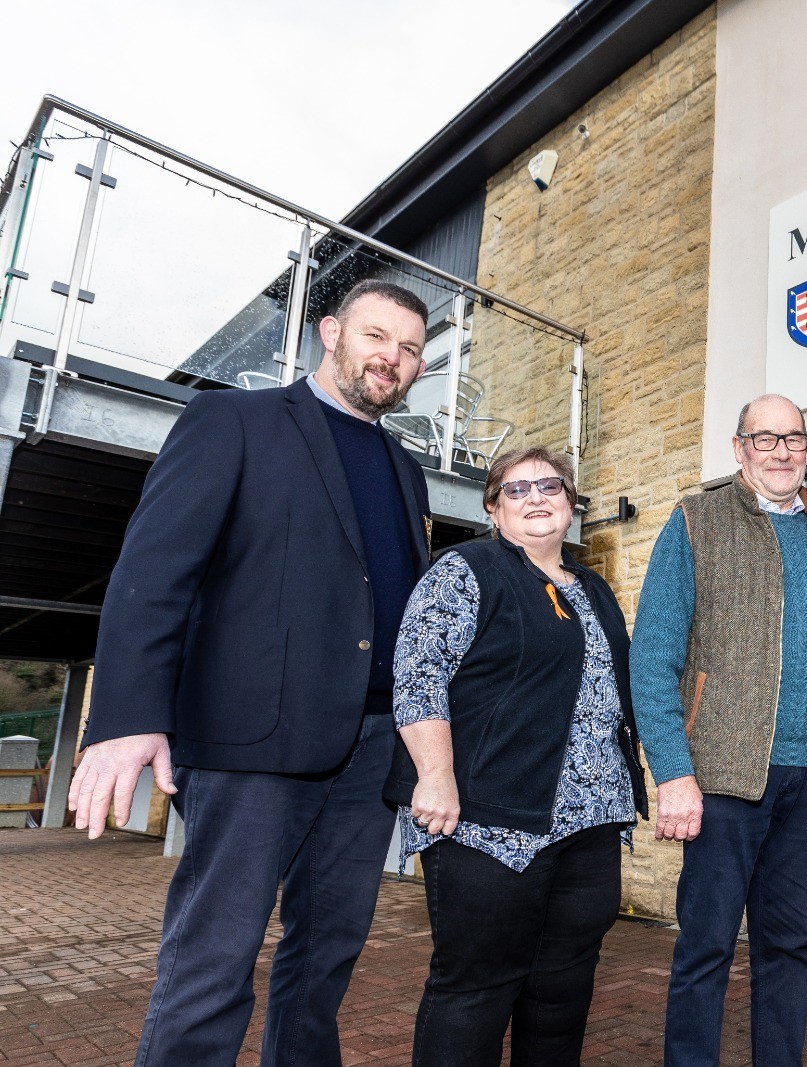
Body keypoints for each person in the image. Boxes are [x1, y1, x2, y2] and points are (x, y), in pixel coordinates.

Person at [67, 279, 432, 1065]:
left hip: (370, 750)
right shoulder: (232, 419)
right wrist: (130, 713)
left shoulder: (406, 467)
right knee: (214, 960)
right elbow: (153, 570)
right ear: (330, 332)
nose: (390, 358)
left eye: (408, 349)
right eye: (376, 337)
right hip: (254, 744)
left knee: (324, 959)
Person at [384, 445, 648, 1066]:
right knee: (475, 991)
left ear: (571, 503)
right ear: (494, 509)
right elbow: (418, 675)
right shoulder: (464, 570)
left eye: (549, 487)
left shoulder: (593, 588)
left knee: (563, 991)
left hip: (590, 822)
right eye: (517, 489)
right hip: (488, 822)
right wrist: (435, 776)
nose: (536, 498)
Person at [631, 393, 807, 1066]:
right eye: (766, 439)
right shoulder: (696, 521)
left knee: (787, 948)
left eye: (794, 439)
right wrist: (673, 769)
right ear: (739, 449)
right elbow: (653, 656)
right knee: (705, 948)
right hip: (722, 775)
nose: (782, 451)